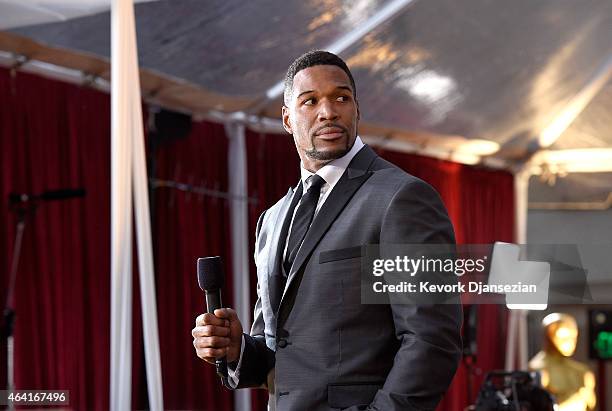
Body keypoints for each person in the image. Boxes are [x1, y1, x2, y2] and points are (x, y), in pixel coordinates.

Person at [192, 50, 462, 411]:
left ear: (357, 110)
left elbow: (431, 339)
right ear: (288, 119)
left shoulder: (403, 197)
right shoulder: (271, 220)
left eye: (341, 97)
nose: (328, 111)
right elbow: (276, 348)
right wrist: (238, 348)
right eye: (310, 101)